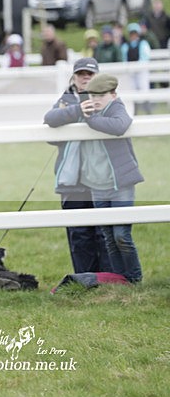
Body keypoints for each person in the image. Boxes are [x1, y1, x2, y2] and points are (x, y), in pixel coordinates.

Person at [44, 58, 112, 274]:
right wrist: (78, 110)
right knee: (79, 232)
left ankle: (107, 280)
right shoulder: (66, 99)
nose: (85, 78)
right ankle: (84, 279)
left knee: (104, 231)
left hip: (101, 176)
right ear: (73, 77)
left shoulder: (109, 99)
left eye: (90, 74)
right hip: (72, 180)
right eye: (81, 74)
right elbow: (50, 120)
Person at [82, 73, 144, 283]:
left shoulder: (116, 108)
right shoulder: (89, 110)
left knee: (121, 236)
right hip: (97, 183)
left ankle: (134, 279)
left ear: (113, 94)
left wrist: (91, 119)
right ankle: (120, 280)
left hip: (121, 183)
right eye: (92, 95)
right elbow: (52, 118)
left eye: (101, 95)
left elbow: (119, 126)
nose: (96, 99)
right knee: (108, 236)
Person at [120, 22, 152, 114]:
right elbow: (124, 59)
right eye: (131, 33)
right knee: (131, 91)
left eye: (135, 33)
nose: (133, 36)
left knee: (144, 90)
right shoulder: (125, 46)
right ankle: (135, 112)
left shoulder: (143, 44)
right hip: (130, 72)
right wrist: (130, 68)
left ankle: (148, 111)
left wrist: (137, 66)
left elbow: (145, 57)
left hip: (141, 71)